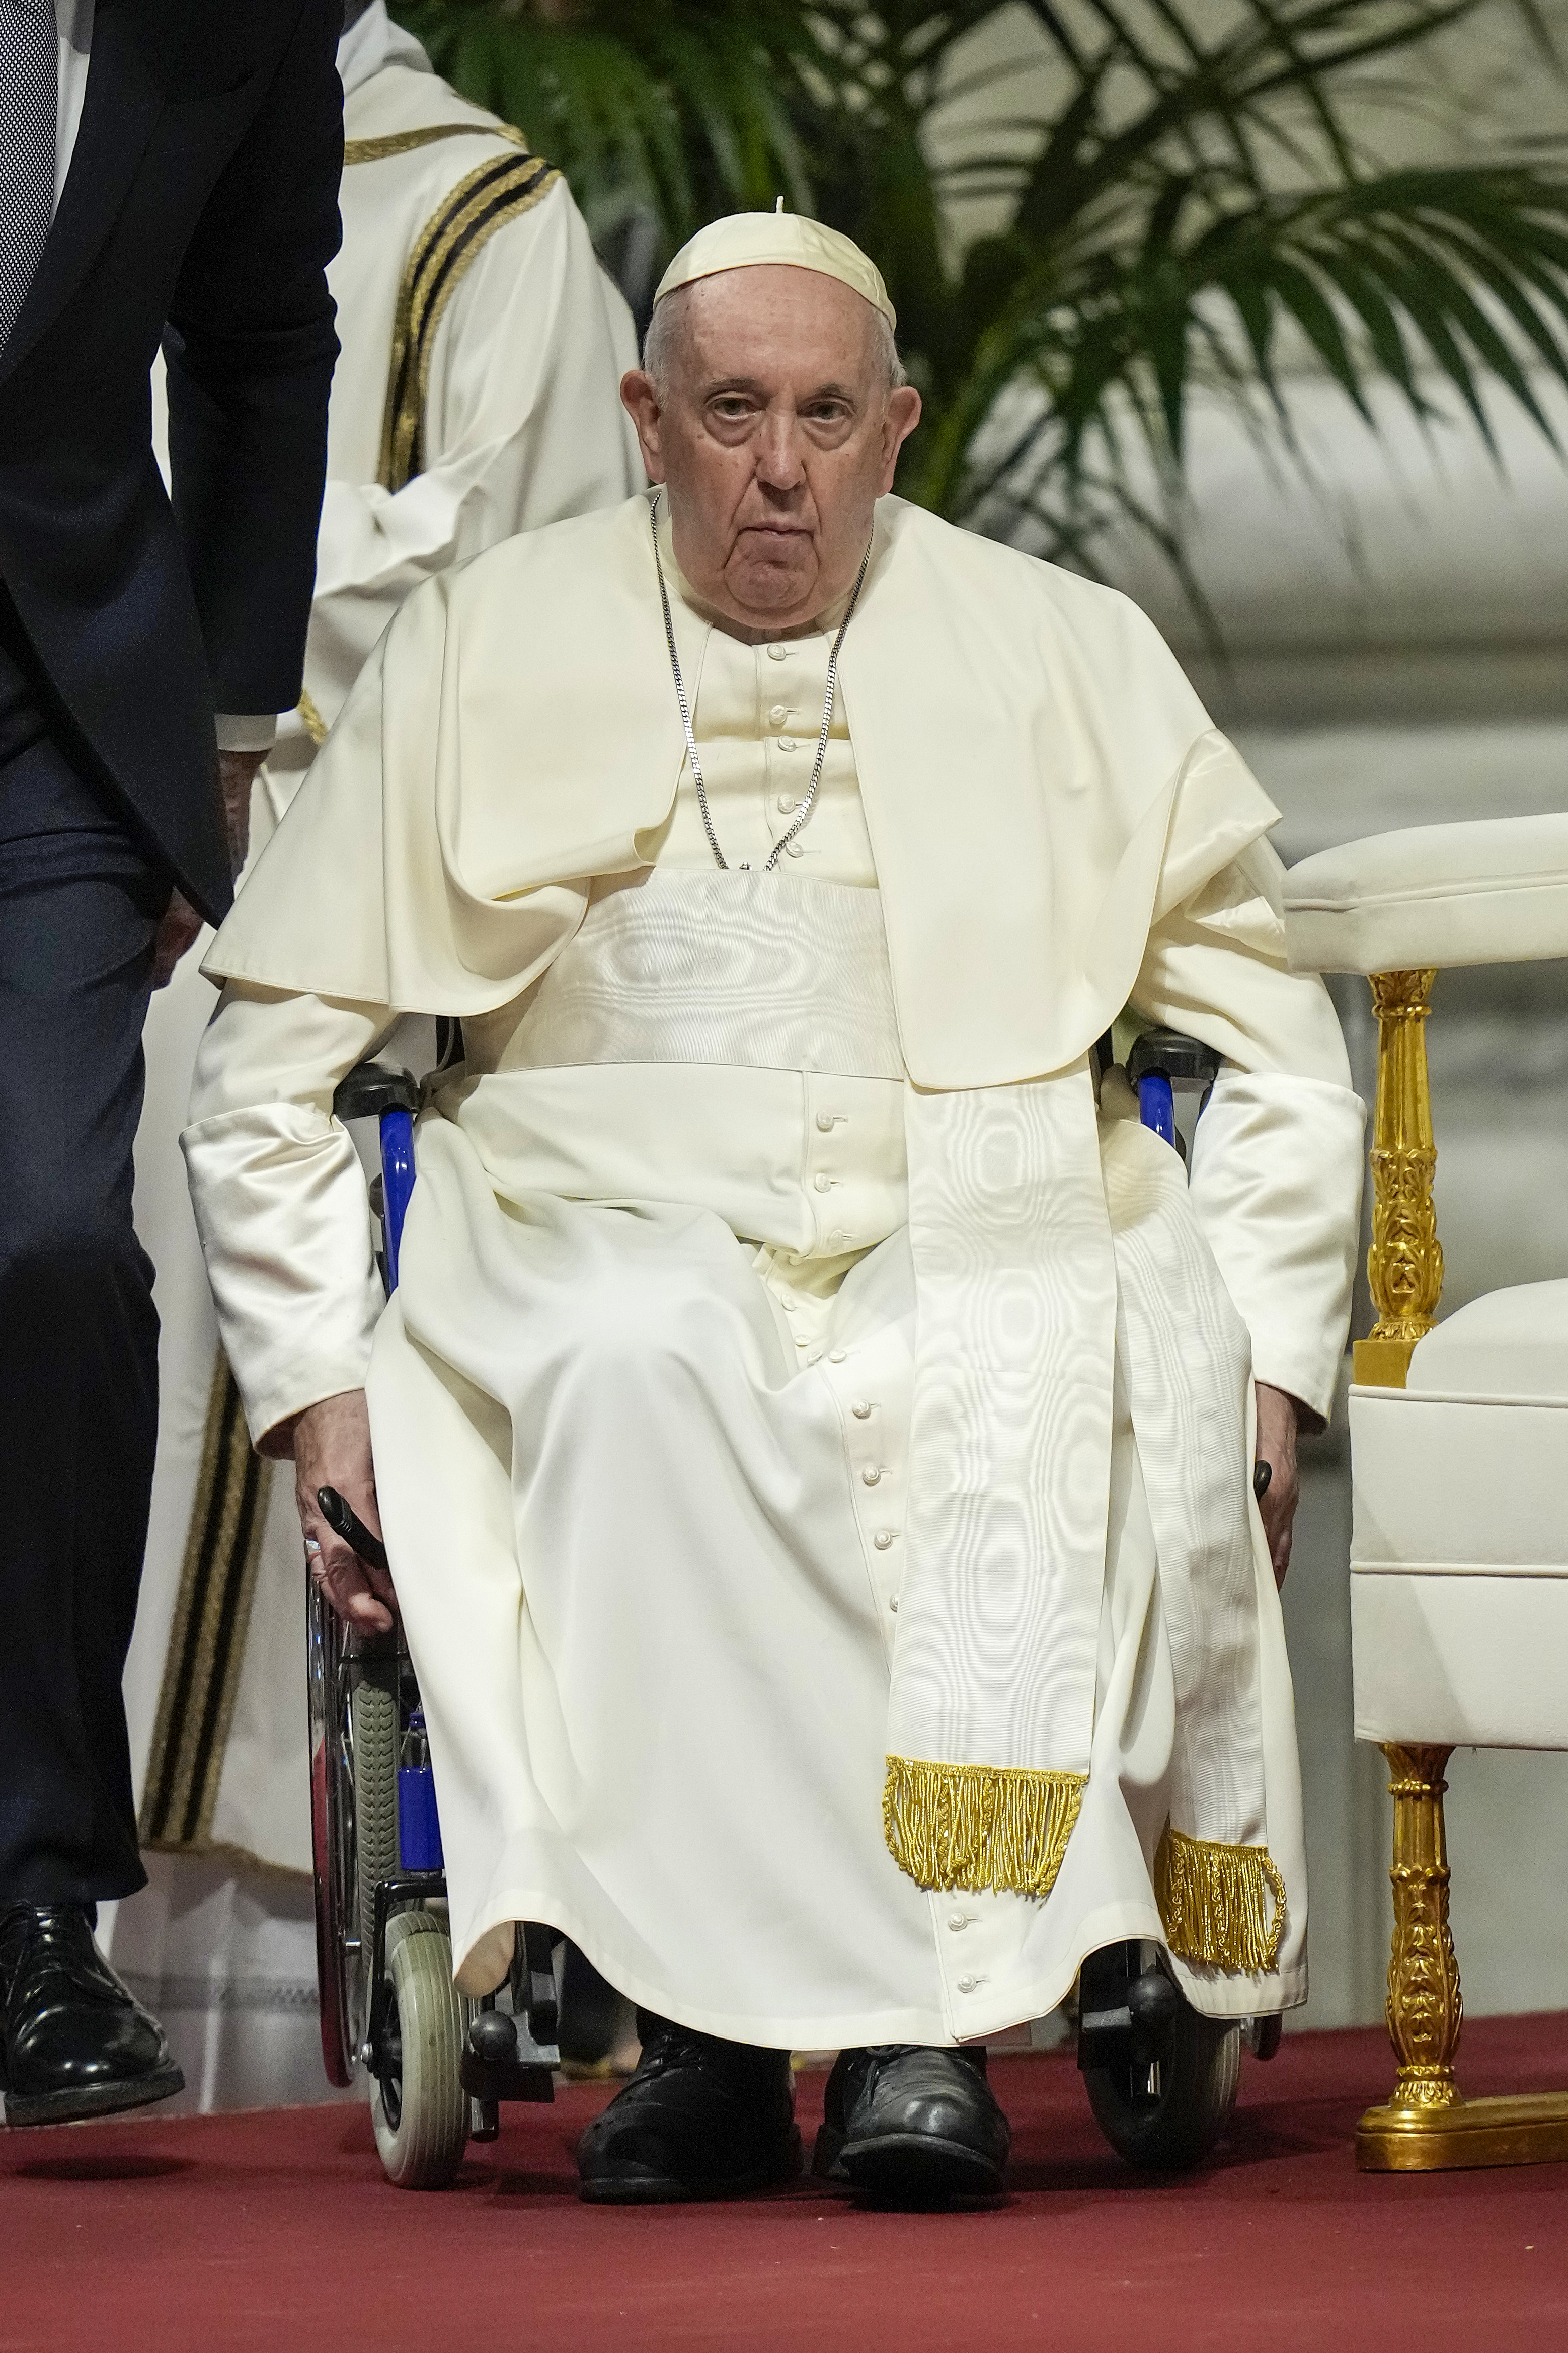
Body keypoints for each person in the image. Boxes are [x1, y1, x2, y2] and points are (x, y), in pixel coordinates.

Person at [182, 211, 1365, 2202]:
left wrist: (1264, 1354)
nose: (782, 468)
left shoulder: (1059, 648)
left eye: (828, 414)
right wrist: (319, 1390)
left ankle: (922, 2034)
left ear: (898, 424)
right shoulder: (480, 641)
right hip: (584, 1202)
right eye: (732, 413)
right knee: (647, 1366)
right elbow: (269, 1062)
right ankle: (707, 2042)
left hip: (977, 1184)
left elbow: (1278, 1047)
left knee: (995, 1344)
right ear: (645, 421)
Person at [116, 0, 641, 2090]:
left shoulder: (475, 227)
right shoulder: (53, 156)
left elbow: (550, 655)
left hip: (316, 931)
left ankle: (266, 2050)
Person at [0, 1, 341, 2127]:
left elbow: (258, 339)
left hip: (50, 698)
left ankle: (36, 1907)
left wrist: (222, 719)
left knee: (44, 1232)